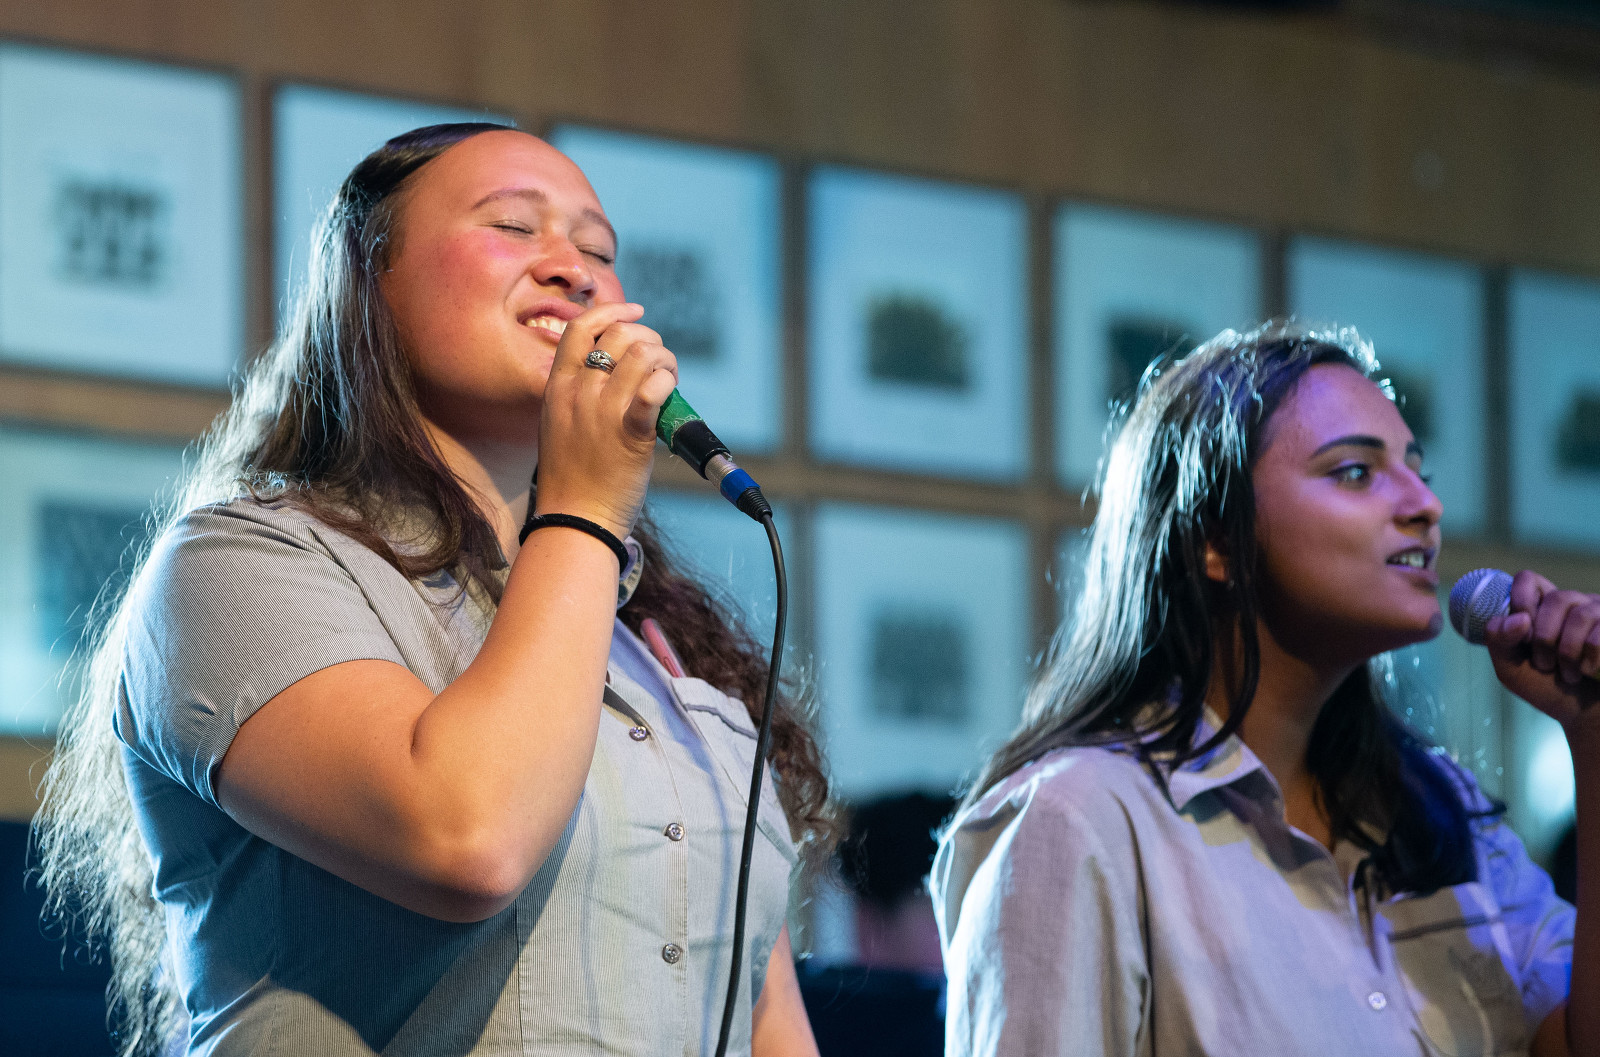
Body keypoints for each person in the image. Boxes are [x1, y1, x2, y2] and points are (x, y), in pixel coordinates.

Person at [36, 123, 834, 1057]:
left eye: (598, 250)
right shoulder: (236, 565)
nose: (572, 269)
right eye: (513, 226)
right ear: (369, 282)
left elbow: (765, 1017)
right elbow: (468, 837)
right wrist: (584, 510)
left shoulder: (656, 647)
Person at [932, 323, 1597, 1056]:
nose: (1425, 506)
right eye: (1355, 472)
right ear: (1215, 539)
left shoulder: (1443, 812)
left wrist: (1593, 734)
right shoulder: (1081, 818)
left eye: (1419, 470)